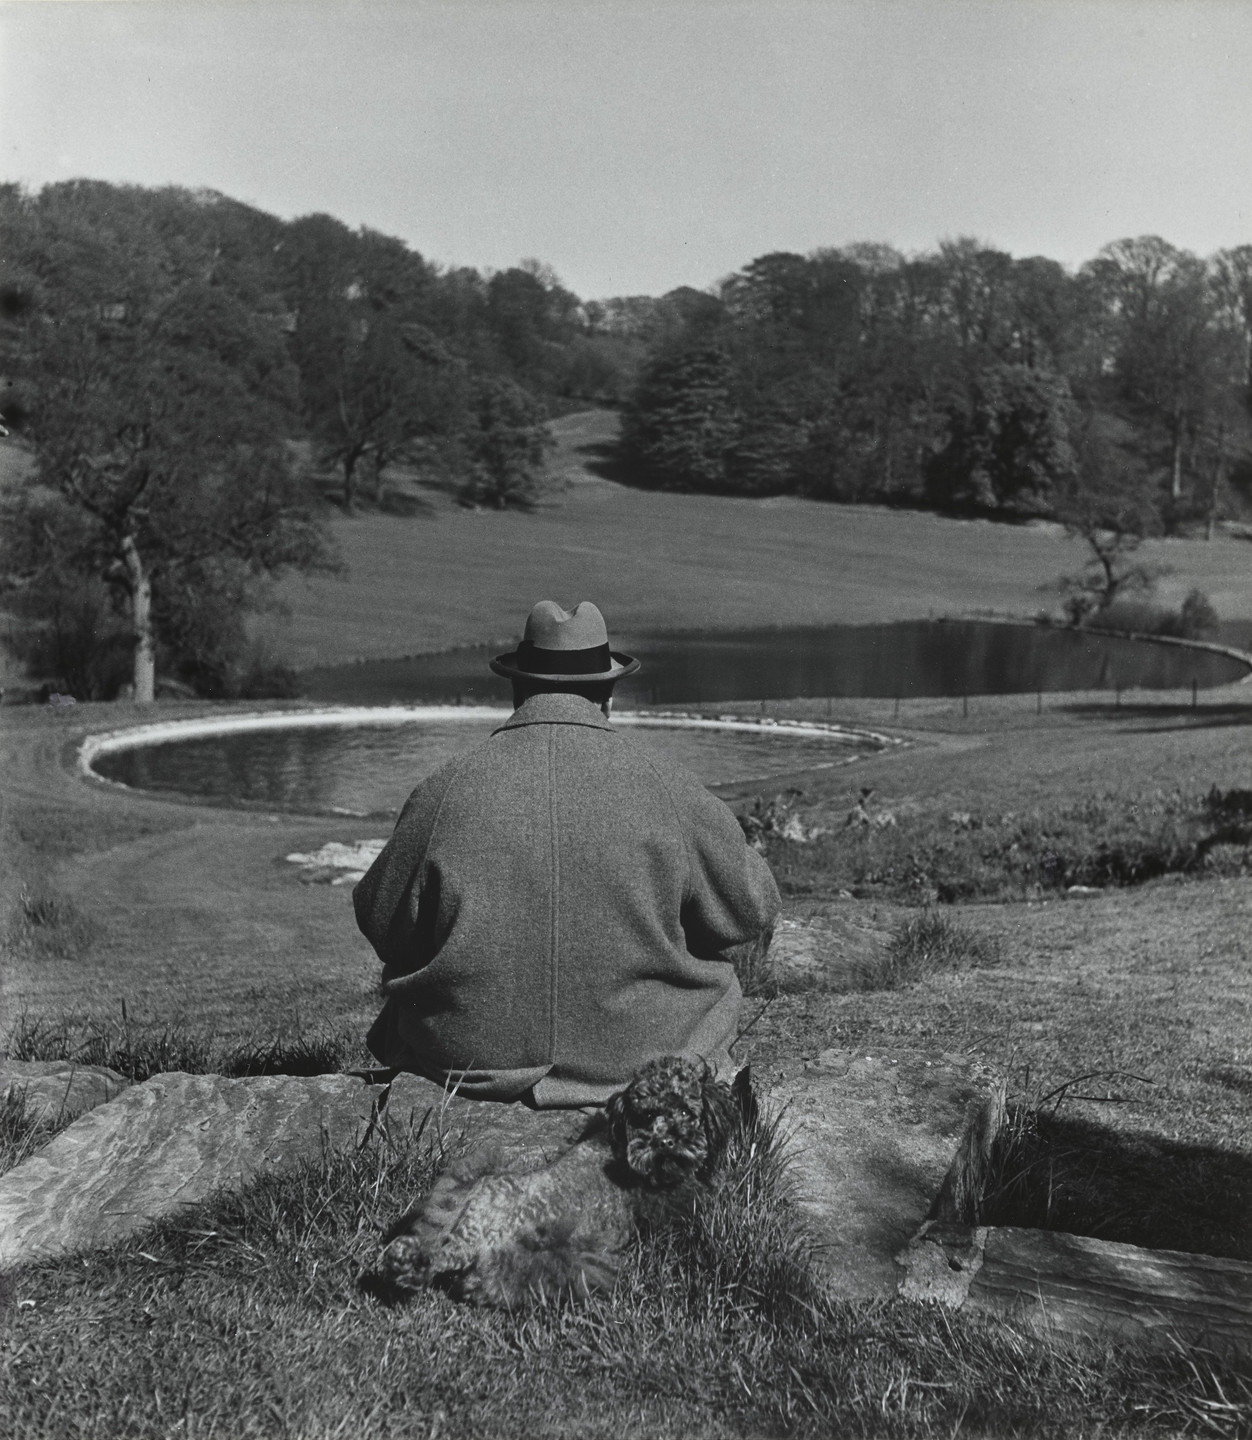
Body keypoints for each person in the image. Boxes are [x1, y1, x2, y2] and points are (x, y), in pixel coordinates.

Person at [354, 599, 780, 1108]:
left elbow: (382, 921)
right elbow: (750, 909)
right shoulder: (668, 786)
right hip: (640, 1053)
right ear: (608, 695)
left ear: (517, 689)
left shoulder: (444, 789)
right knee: (717, 982)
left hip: (469, 1055)